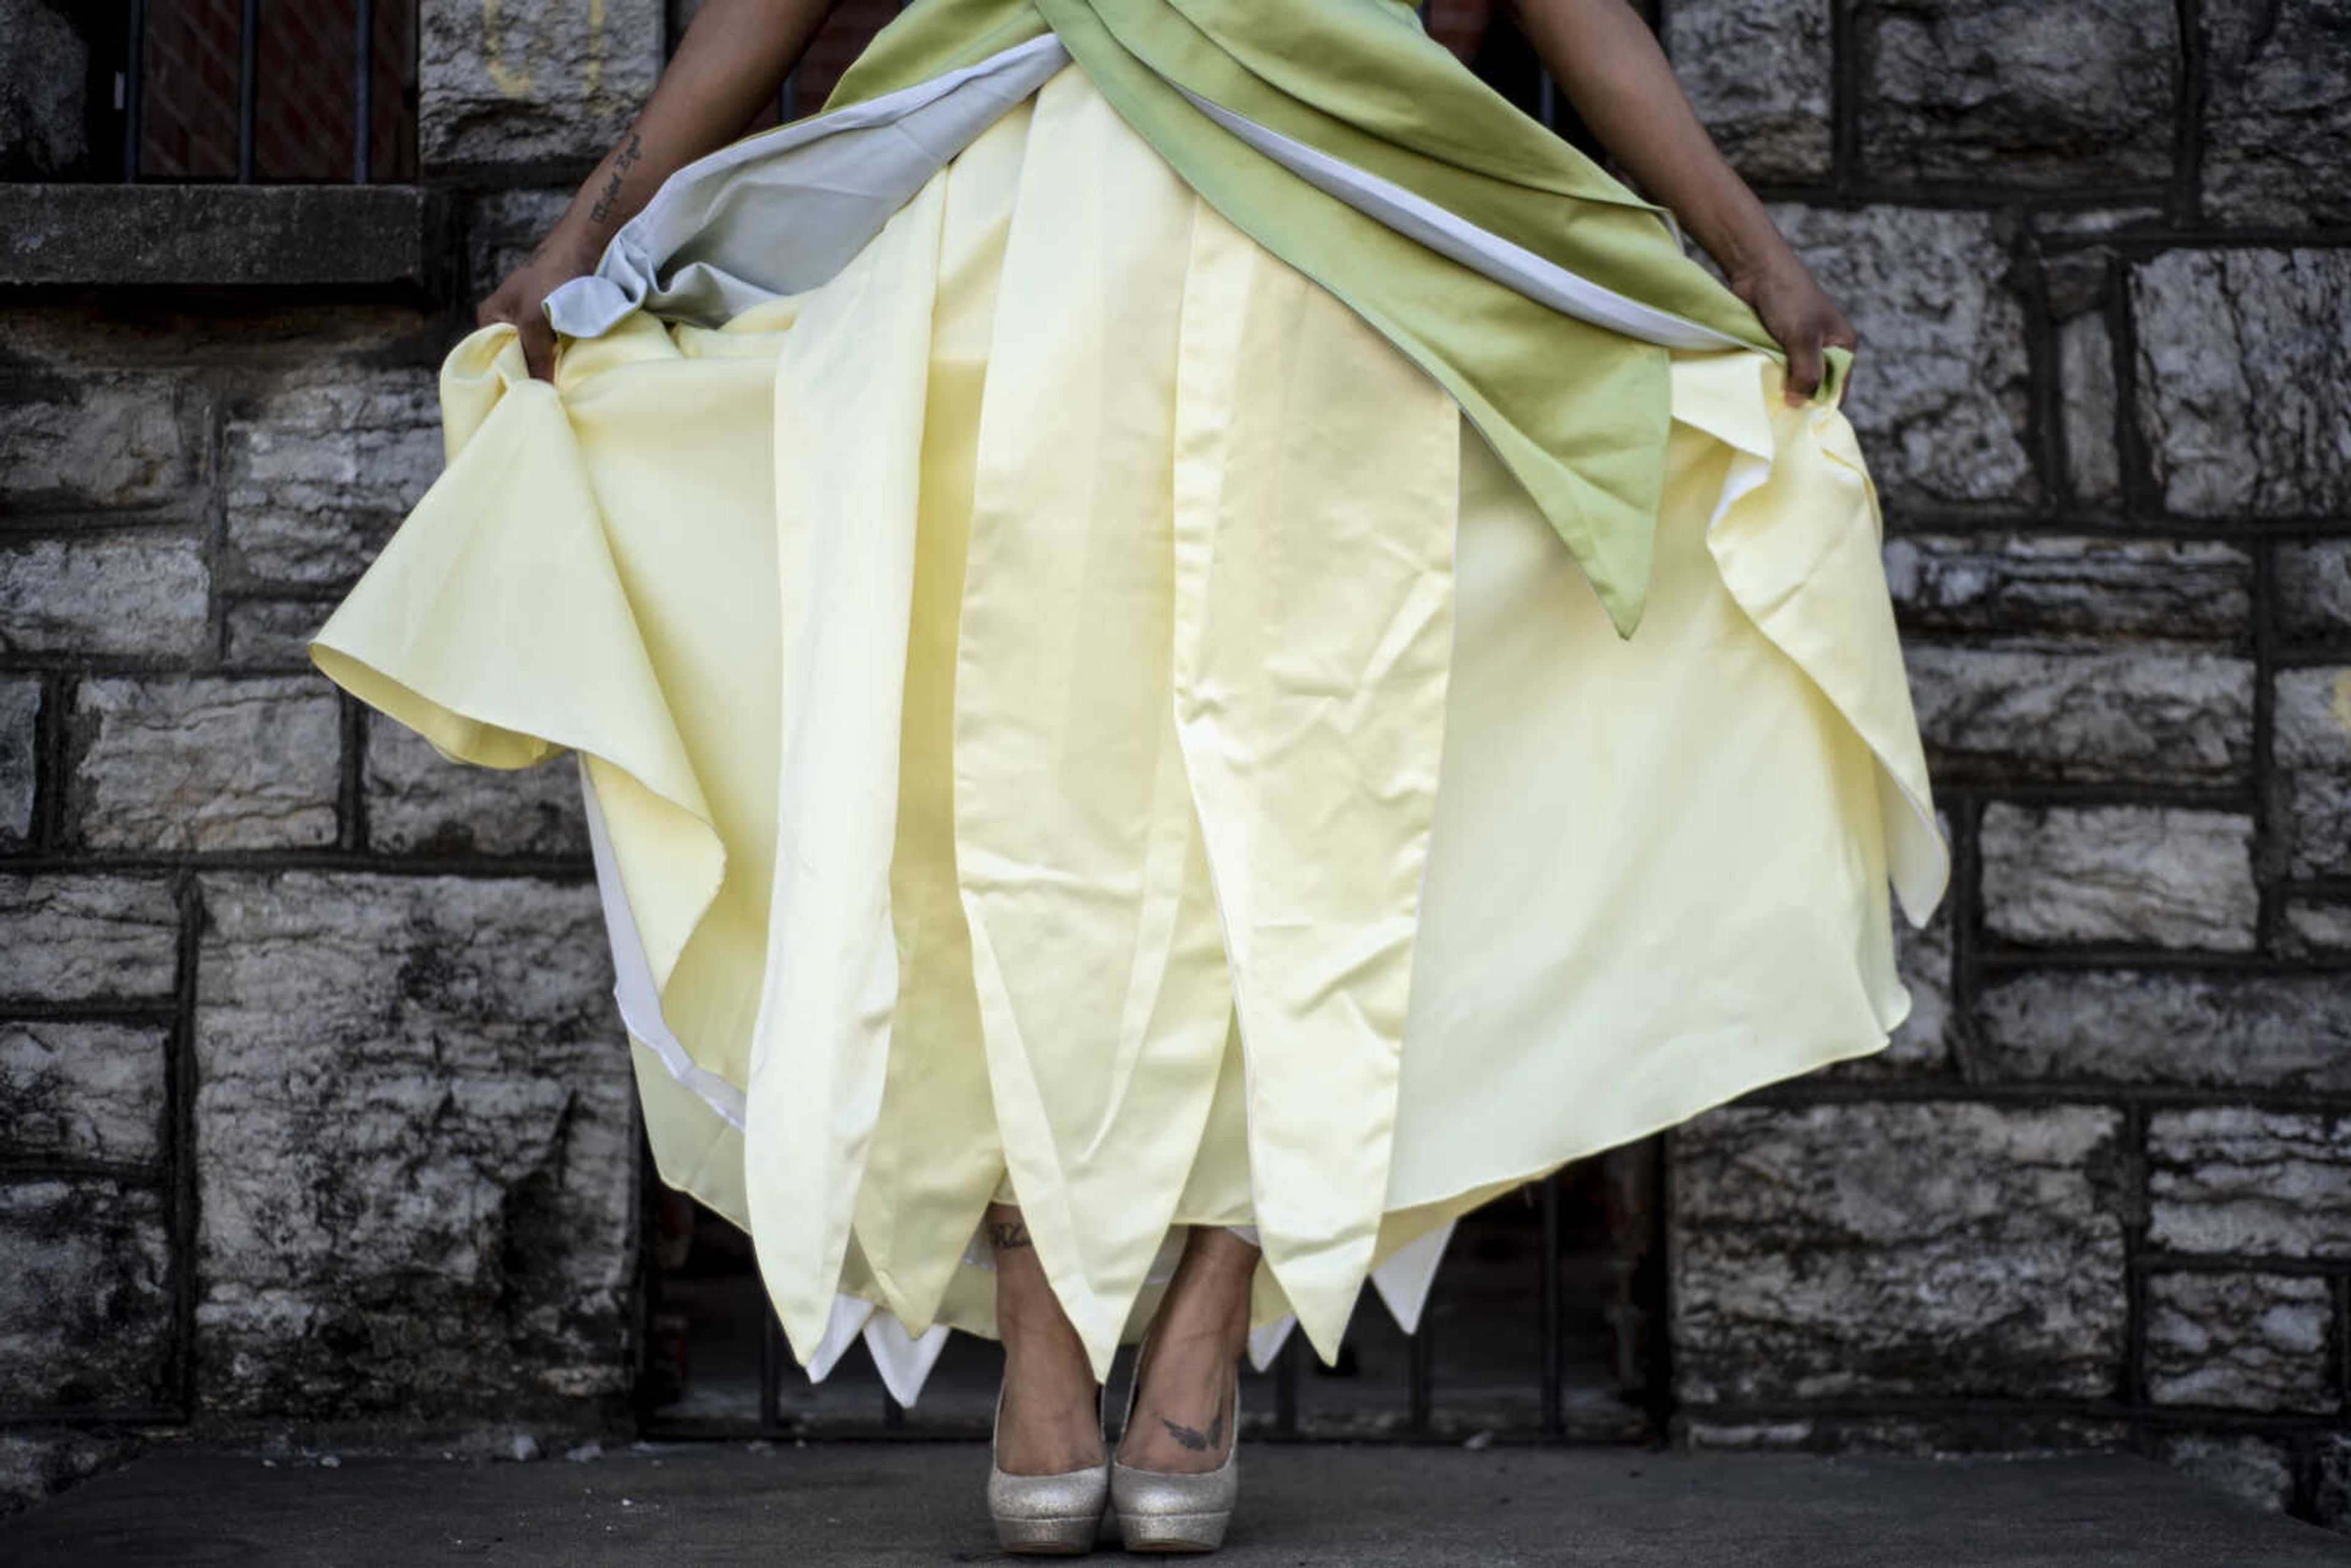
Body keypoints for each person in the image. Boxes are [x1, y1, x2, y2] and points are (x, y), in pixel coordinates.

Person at [309, 0, 1951, 1553]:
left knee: (1317, 775)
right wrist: (591, 234)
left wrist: (1755, 258)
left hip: (1336, 224)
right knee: (998, 792)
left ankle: (1210, 1310)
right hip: (1019, 226)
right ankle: (1043, 1314)